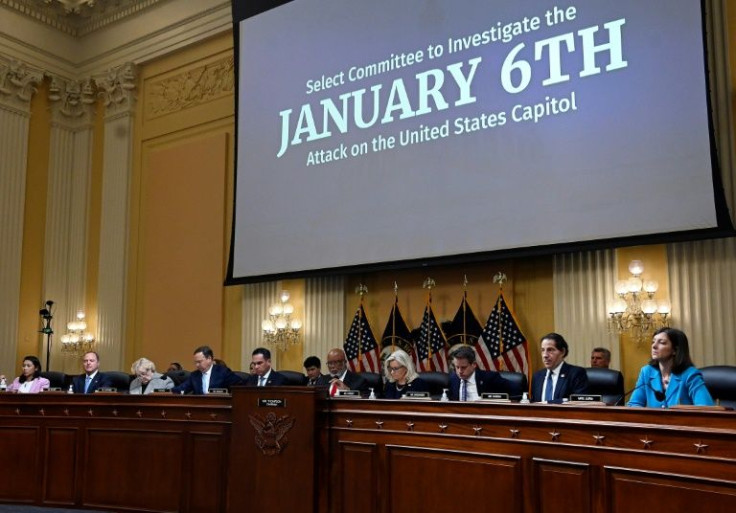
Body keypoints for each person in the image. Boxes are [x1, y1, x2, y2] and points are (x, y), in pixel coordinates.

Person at [627, 327, 714, 408]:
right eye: (653, 342)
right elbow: (634, 404)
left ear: (675, 350)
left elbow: (705, 408)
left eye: (662, 343)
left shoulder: (690, 374)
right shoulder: (646, 372)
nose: (654, 346)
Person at [531, 333, 589, 403]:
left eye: (550, 350)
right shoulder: (537, 376)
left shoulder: (576, 374)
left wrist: (547, 403)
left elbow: (578, 402)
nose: (545, 355)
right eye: (543, 350)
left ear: (563, 352)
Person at [448, 345, 516, 401]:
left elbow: (516, 389)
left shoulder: (490, 378)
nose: (460, 371)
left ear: (474, 365)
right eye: (457, 367)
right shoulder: (452, 379)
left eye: (463, 367)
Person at [172, 345, 243, 394]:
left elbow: (240, 386)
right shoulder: (194, 375)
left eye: (199, 362)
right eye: (195, 362)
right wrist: (166, 391)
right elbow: (180, 389)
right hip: (200, 409)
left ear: (209, 359)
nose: (197, 365)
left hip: (220, 408)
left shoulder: (223, 372)